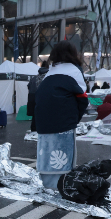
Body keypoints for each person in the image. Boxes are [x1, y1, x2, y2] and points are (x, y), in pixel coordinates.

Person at [34, 41, 89, 189]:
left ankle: (47, 184)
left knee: (46, 152)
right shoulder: (75, 71)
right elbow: (82, 98)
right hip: (64, 121)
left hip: (43, 122)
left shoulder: (49, 72)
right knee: (63, 152)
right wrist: (74, 119)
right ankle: (61, 186)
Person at [27, 61, 49, 132]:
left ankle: (33, 130)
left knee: (34, 116)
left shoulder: (34, 78)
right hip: (43, 98)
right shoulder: (48, 77)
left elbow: (28, 86)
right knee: (45, 115)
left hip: (32, 98)